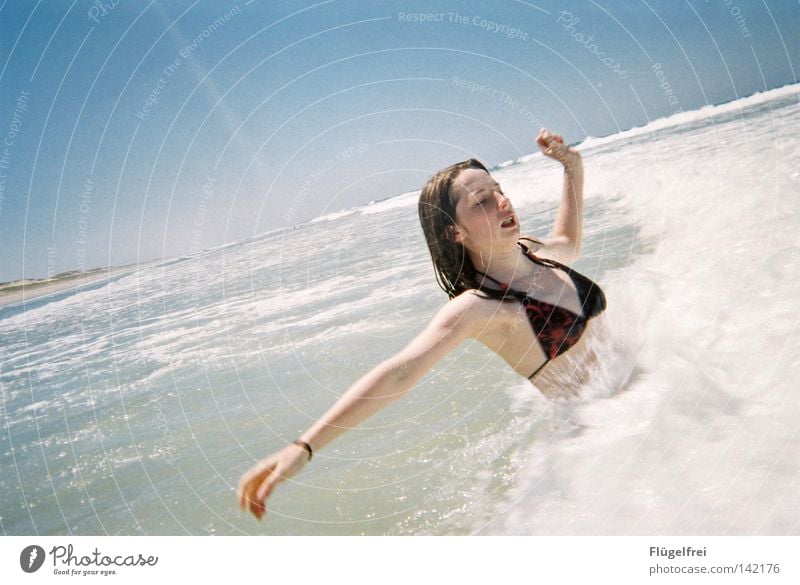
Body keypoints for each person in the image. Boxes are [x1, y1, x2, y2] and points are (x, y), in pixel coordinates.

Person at [238, 129, 607, 520]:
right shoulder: (478, 307)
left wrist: (572, 168)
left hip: (641, 396)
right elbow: (398, 373)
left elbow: (568, 241)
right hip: (603, 433)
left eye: (498, 189)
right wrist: (304, 446)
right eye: (483, 201)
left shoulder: (531, 252)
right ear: (455, 232)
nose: (503, 201)